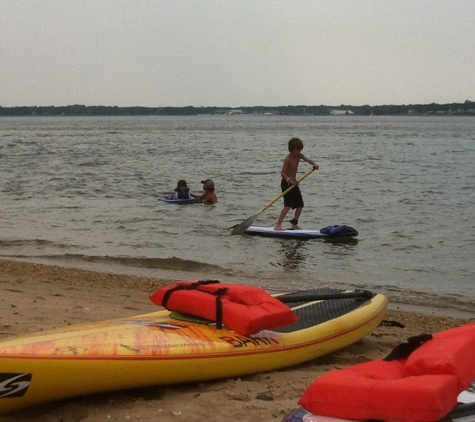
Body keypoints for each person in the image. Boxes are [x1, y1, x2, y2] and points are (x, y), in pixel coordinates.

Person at [275, 138, 318, 231]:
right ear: (291, 149)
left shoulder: (299, 156)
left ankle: (294, 224)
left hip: (294, 184)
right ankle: (278, 225)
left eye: (300, 150)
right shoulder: (288, 159)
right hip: (286, 183)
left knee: (300, 205)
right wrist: (290, 181)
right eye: (297, 150)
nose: (298, 152)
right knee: (288, 205)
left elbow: (308, 160)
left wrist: (314, 164)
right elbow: (283, 173)